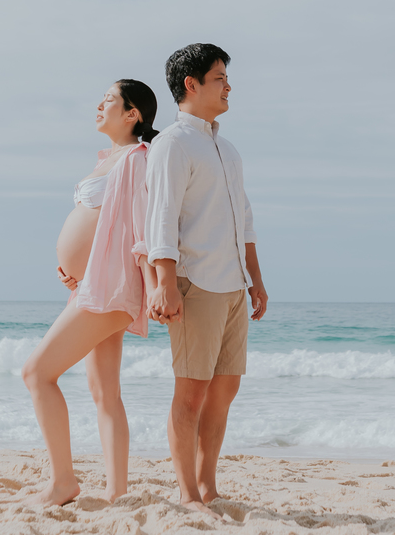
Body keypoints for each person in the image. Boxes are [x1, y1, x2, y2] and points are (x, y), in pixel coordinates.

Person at [21, 79, 161, 505]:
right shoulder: (108, 159)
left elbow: (142, 229)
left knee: (37, 373)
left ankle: (63, 482)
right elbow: (99, 228)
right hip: (92, 285)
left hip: (109, 288)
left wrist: (155, 288)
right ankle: (117, 494)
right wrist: (74, 270)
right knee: (105, 393)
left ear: (132, 114)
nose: (99, 105)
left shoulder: (137, 158)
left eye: (109, 100)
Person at [144, 43, 268, 517]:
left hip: (233, 284)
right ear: (191, 84)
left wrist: (256, 280)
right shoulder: (172, 144)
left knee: (224, 391)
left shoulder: (227, 149)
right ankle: (187, 495)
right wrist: (164, 283)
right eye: (220, 78)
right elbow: (162, 217)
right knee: (191, 393)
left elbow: (245, 220)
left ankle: (209, 487)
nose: (228, 86)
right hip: (195, 282)